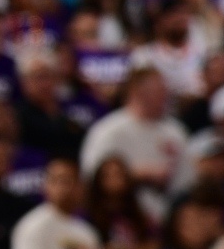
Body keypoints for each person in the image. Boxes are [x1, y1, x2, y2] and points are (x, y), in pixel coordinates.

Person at [79, 65, 188, 222]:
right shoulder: (108, 131)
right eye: (158, 91)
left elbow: (188, 180)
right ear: (136, 92)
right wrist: (134, 175)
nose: (165, 96)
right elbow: (91, 177)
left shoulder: (175, 131)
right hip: (121, 220)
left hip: (169, 217)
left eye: (165, 90)